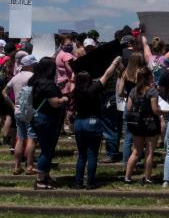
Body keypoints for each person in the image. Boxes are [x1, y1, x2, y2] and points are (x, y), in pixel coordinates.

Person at [71, 57, 122, 189]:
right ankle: (90, 182)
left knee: (82, 155)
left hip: (79, 122)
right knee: (92, 153)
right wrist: (115, 62)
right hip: (92, 121)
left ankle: (78, 181)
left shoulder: (75, 91)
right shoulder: (93, 88)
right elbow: (107, 74)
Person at [28, 57, 70, 190]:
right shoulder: (48, 84)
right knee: (46, 150)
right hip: (46, 119)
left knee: (48, 149)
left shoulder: (35, 82)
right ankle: (40, 180)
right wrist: (63, 98)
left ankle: (45, 175)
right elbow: (55, 103)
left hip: (38, 118)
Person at [124, 66, 161, 184]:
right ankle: (147, 177)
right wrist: (163, 111)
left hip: (137, 124)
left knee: (135, 151)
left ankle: (127, 177)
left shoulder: (133, 90)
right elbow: (155, 110)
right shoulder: (152, 91)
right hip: (151, 124)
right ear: (148, 77)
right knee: (149, 152)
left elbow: (128, 108)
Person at [7, 53, 36, 175]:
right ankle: (29, 166)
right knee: (31, 138)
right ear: (31, 65)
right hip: (30, 110)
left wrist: (13, 105)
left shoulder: (16, 77)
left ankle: (17, 166)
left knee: (20, 139)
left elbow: (4, 92)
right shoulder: (34, 76)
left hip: (18, 110)